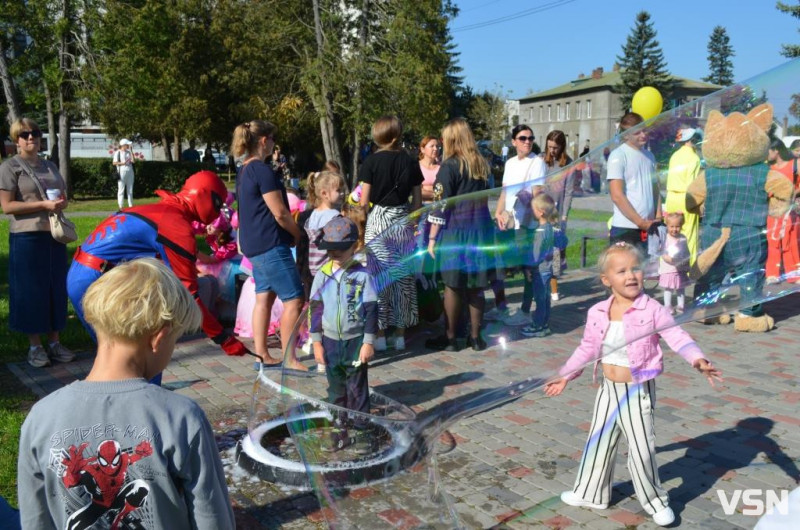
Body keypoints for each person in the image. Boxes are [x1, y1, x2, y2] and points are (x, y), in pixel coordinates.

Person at [18, 258, 235, 530]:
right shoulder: (182, 417)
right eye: (175, 341)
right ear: (159, 337)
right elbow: (212, 519)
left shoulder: (41, 418)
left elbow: (35, 520)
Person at [545, 242, 722, 528]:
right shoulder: (598, 312)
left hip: (637, 391)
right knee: (598, 443)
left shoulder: (651, 310)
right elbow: (588, 349)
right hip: (607, 390)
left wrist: (697, 359)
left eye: (636, 268)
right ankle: (591, 493)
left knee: (641, 451)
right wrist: (565, 374)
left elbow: (676, 336)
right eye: (622, 271)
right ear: (606, 280)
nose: (631, 275)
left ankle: (655, 502)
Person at [67, 171, 250, 370]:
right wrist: (223, 338)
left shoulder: (162, 210)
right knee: (133, 359)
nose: (217, 213)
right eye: (218, 205)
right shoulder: (175, 225)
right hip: (95, 280)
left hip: (88, 275)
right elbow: (189, 293)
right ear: (206, 196)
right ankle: (142, 395)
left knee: (122, 357)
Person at [0, 117, 75, 368]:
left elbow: (61, 194)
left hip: (54, 235)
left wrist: (61, 203)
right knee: (32, 290)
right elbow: (7, 206)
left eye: (35, 133)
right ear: (16, 140)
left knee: (55, 287)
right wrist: (43, 205)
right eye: (24, 134)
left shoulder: (50, 166)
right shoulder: (10, 167)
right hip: (27, 236)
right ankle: (35, 347)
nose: (30, 137)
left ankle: (55, 342)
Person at [233, 120, 306, 370]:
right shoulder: (263, 171)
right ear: (264, 140)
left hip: (254, 245)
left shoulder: (243, 170)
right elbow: (280, 213)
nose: (275, 144)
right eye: (273, 139)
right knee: (294, 299)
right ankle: (290, 358)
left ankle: (262, 354)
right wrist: (298, 233)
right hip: (270, 244)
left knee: (264, 297)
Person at [308, 216, 378, 452]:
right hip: (330, 343)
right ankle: (339, 431)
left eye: (341, 249)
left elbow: (371, 311)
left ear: (354, 247)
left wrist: (368, 342)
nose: (335, 254)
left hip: (355, 341)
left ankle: (362, 433)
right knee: (335, 390)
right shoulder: (322, 275)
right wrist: (316, 343)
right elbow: (315, 310)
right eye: (330, 249)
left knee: (358, 390)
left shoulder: (363, 276)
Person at [426, 118, 494, 352]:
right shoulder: (481, 164)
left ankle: (451, 338)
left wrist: (432, 239)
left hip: (456, 232)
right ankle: (476, 338)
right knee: (476, 285)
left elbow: (439, 205)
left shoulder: (450, 166)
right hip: (481, 231)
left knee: (453, 286)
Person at [359, 115, 422, 352]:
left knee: (378, 277)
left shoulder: (371, 162)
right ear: (396, 136)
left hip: (378, 221)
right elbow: (417, 202)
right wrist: (412, 224)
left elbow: (364, 203)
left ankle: (381, 334)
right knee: (403, 277)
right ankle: (400, 335)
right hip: (402, 220)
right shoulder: (410, 162)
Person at [489, 124, 547, 326]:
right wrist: (498, 212)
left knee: (528, 268)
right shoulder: (511, 163)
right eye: (523, 138)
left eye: (531, 138)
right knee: (499, 264)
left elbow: (538, 193)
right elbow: (505, 191)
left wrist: (534, 219)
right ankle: (501, 307)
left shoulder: (537, 162)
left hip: (526, 223)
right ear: (513, 141)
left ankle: (524, 309)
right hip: (508, 221)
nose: (528, 142)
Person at [607, 113, 661, 252]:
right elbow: (617, 195)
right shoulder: (618, 155)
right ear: (626, 135)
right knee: (623, 272)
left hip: (649, 227)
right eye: (637, 132)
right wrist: (640, 222)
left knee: (646, 272)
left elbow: (655, 189)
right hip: (625, 228)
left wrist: (658, 216)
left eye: (644, 130)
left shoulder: (650, 156)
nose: (643, 135)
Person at [521, 194, 567, 338]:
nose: (531, 211)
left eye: (533, 209)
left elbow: (535, 255)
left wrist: (528, 267)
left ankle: (538, 325)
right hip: (549, 269)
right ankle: (545, 324)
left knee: (540, 299)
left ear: (540, 212)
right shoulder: (552, 227)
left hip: (539, 271)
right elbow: (563, 243)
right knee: (546, 298)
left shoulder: (540, 231)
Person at [542, 130, 574, 302]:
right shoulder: (542, 161)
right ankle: (541, 284)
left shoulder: (568, 165)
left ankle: (554, 287)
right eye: (549, 147)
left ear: (562, 147)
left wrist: (564, 217)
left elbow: (568, 193)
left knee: (554, 252)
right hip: (540, 212)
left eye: (555, 147)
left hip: (557, 215)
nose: (552, 151)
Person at [665, 128, 702, 264]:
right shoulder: (694, 158)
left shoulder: (674, 155)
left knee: (671, 230)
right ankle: (689, 266)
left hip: (671, 197)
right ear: (692, 140)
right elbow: (693, 184)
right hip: (685, 197)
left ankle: (667, 261)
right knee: (689, 232)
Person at [765, 139, 799, 284]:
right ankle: (772, 273)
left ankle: (794, 274)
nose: (767, 154)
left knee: (791, 241)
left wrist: (792, 193)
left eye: (769, 151)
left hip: (789, 209)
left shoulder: (794, 165)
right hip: (773, 210)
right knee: (773, 241)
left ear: (776, 150)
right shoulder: (769, 169)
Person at [304, 171, 347, 278]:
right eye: (338, 190)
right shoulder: (335, 217)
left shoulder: (313, 214)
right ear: (324, 194)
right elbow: (341, 245)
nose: (342, 193)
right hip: (330, 267)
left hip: (314, 267)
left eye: (343, 190)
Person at [658, 212, 690, 314]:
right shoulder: (665, 238)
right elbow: (662, 253)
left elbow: (686, 251)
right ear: (667, 226)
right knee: (669, 288)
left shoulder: (683, 238)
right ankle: (667, 305)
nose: (674, 229)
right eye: (671, 226)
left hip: (680, 268)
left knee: (680, 287)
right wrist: (669, 259)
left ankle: (681, 305)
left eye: (677, 226)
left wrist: (687, 261)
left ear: (681, 226)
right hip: (669, 268)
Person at [112, 138, 135, 209]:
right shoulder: (117, 152)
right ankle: (121, 206)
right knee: (121, 189)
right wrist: (122, 163)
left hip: (130, 171)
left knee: (130, 189)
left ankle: (130, 206)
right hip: (122, 171)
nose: (128, 145)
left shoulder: (128, 152)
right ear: (123, 145)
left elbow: (133, 161)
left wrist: (131, 151)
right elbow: (114, 163)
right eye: (127, 145)